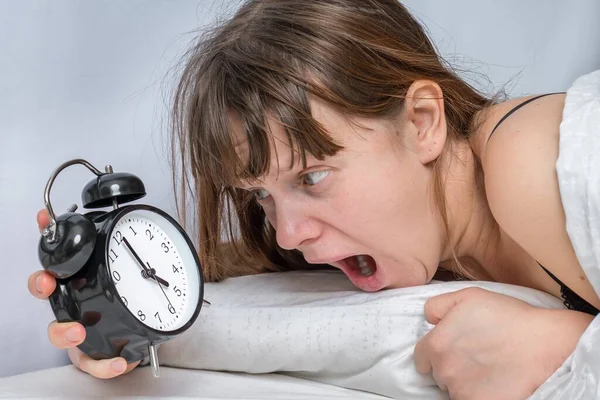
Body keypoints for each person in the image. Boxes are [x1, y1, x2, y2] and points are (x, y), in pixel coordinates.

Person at [27, 0, 599, 398]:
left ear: (423, 123)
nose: (288, 235)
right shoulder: (406, 238)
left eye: (313, 178)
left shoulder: (541, 160)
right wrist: (115, 328)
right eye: (261, 198)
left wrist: (561, 345)